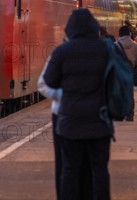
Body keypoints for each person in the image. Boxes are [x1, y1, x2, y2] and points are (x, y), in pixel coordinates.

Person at [44, 8, 113, 200]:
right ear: (94, 27)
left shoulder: (62, 51)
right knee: (99, 170)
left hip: (69, 122)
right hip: (100, 122)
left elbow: (49, 81)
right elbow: (115, 81)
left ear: (70, 28)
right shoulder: (106, 49)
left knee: (70, 170)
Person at [38, 57, 92, 199]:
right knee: (94, 167)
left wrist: (64, 96)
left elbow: (43, 84)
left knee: (66, 165)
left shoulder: (61, 53)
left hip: (63, 114)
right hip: (95, 115)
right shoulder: (103, 51)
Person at [116, 25, 137, 119]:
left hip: (118, 70)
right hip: (130, 70)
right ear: (129, 33)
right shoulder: (135, 45)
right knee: (129, 92)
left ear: (120, 34)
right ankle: (130, 114)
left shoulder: (116, 44)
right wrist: (135, 66)